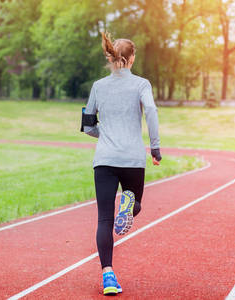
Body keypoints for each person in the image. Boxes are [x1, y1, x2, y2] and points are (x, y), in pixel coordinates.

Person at [82, 32, 162, 296]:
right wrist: (155, 146)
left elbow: (87, 125)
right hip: (132, 158)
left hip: (104, 159)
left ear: (112, 57)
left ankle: (107, 276)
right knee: (134, 204)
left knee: (103, 220)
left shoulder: (98, 86)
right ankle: (128, 205)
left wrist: (104, 135)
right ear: (131, 59)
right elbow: (150, 111)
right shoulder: (141, 84)